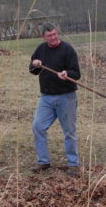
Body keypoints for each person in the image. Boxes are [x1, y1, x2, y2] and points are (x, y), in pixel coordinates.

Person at [29, 23, 80, 176]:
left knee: (69, 132)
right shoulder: (40, 49)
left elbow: (76, 73)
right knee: (38, 126)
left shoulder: (67, 49)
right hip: (46, 97)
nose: (54, 37)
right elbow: (33, 70)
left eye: (55, 34)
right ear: (44, 37)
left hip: (66, 97)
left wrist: (66, 73)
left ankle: (73, 164)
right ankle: (43, 161)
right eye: (50, 35)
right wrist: (35, 64)